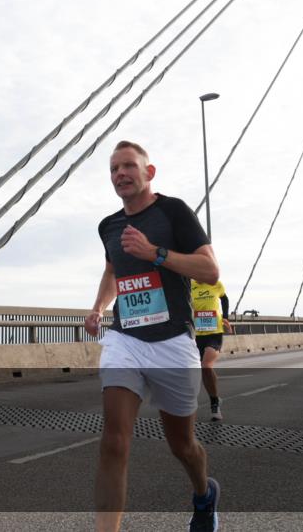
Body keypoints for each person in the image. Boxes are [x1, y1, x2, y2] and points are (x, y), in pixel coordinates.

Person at [85, 141, 221, 532]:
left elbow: (210, 270)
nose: (120, 174)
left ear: (149, 172)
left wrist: (155, 254)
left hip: (172, 342)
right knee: (114, 441)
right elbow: (112, 272)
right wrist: (98, 307)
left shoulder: (173, 211)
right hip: (125, 339)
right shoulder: (108, 226)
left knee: (183, 446)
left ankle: (203, 494)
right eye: (114, 169)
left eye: (128, 166)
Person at [191, 279, 232, 421]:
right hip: (196, 334)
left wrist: (225, 317)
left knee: (206, 366)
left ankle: (214, 403)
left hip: (214, 332)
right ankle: (211, 398)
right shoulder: (189, 285)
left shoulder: (215, 283)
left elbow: (224, 299)